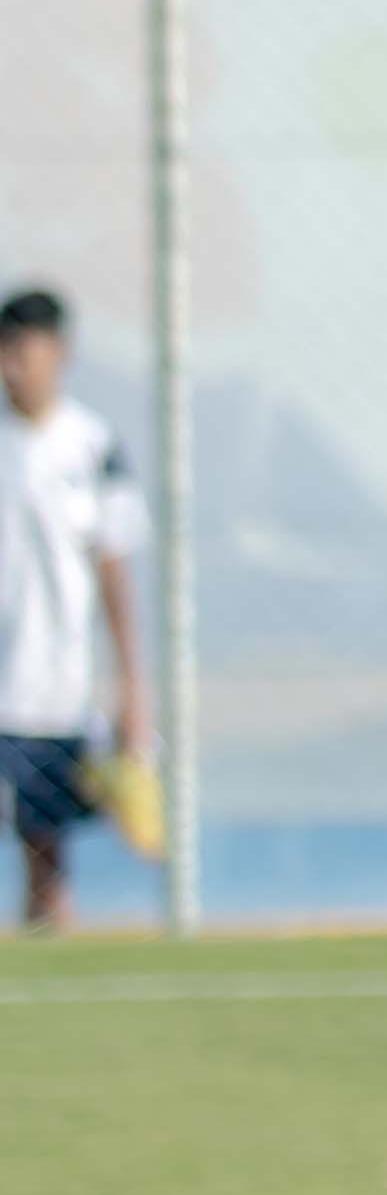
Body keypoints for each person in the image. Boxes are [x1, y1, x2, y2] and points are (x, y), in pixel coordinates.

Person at [0, 287, 146, 935]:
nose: (12, 367)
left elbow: (113, 569)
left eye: (24, 352)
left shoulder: (91, 445)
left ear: (59, 353)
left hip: (57, 688)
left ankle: (48, 946)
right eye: (5, 352)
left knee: (47, 857)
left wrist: (132, 687)